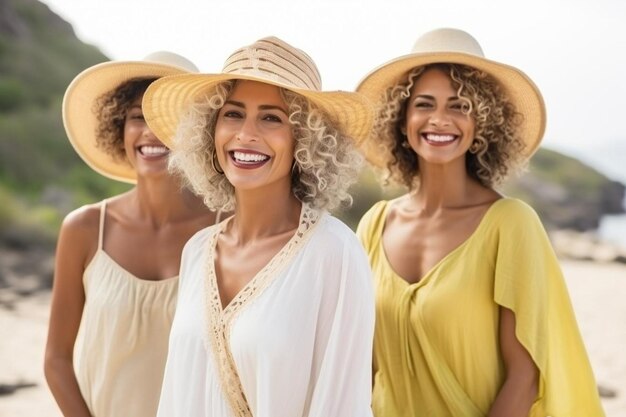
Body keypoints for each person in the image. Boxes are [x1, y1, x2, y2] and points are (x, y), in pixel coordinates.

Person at [355, 28, 605, 417]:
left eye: (459, 106)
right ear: (402, 120)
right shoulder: (373, 226)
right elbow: (362, 370)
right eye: (424, 104)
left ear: (481, 125)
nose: (439, 119)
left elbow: (525, 377)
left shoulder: (510, 225)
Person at [141, 36, 375, 417]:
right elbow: (175, 395)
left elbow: (342, 404)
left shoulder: (334, 253)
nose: (246, 134)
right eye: (232, 114)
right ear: (210, 130)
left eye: (271, 117)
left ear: (306, 140)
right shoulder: (197, 250)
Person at [44, 52, 219, 417]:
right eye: (138, 117)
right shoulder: (85, 229)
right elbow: (56, 360)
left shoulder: (227, 228)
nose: (150, 132)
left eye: (166, 119)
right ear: (119, 128)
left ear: (195, 133)